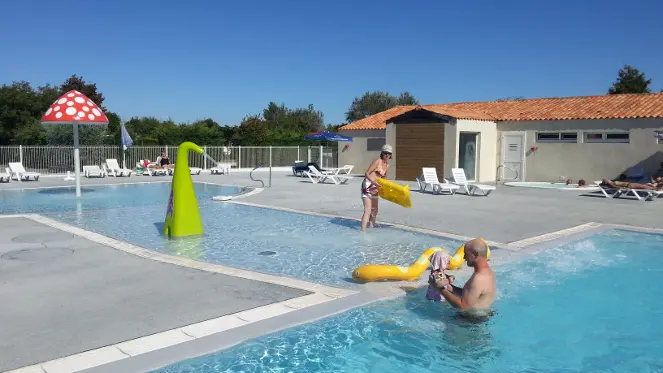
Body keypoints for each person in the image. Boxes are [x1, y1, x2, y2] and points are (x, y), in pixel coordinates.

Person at [435, 238, 496, 318]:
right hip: (479, 318)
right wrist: (449, 287)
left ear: (474, 254)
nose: (464, 257)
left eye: (466, 254)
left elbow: (463, 307)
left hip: (470, 323)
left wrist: (440, 289)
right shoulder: (488, 273)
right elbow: (471, 296)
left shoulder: (479, 278)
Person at [360, 144, 392, 231]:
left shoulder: (387, 165)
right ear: (382, 153)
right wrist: (373, 181)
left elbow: (384, 178)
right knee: (368, 210)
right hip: (367, 185)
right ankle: (363, 232)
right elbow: (366, 173)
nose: (387, 155)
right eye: (385, 153)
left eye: (389, 153)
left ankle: (371, 229)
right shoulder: (378, 161)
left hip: (375, 187)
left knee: (375, 211)